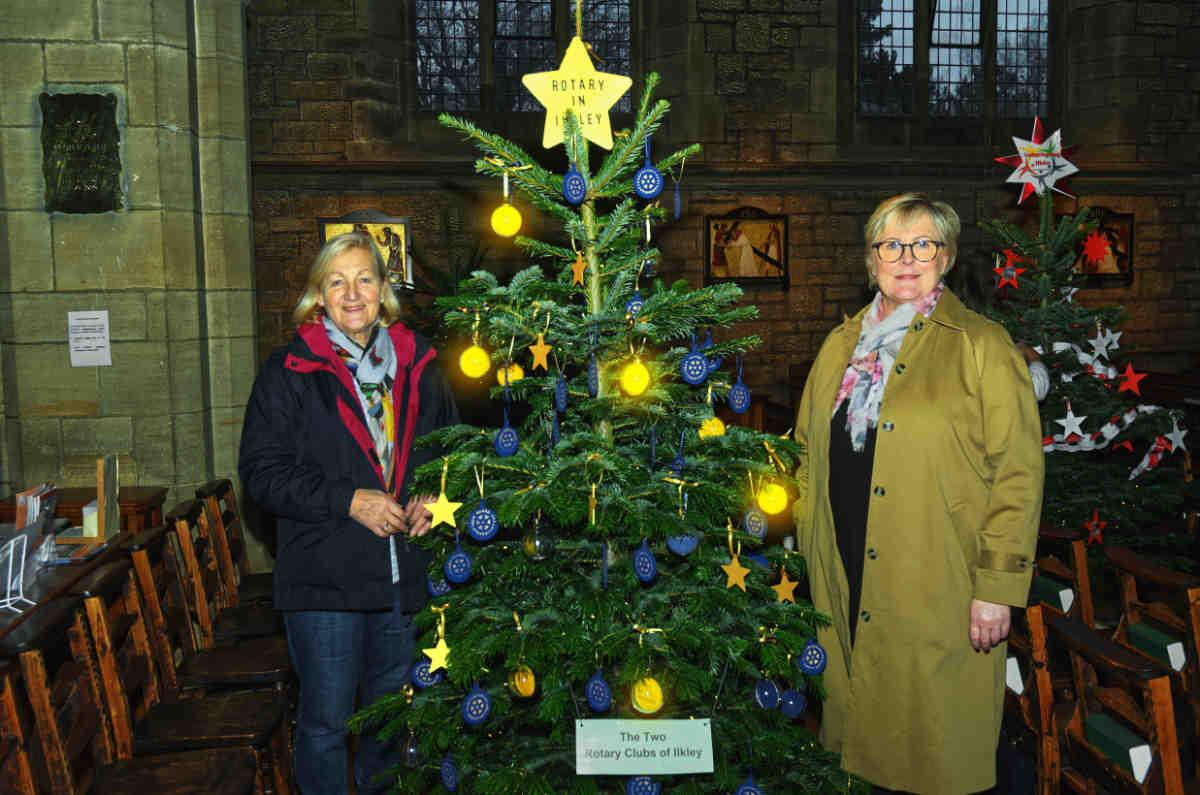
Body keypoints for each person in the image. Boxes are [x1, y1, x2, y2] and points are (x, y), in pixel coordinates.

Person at [791, 194, 1043, 793]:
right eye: (891, 245)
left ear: (947, 256)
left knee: (932, 746)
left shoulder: (982, 346)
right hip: (844, 569)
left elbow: (1018, 472)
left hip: (939, 577)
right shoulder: (838, 345)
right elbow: (803, 450)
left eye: (924, 244)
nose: (908, 258)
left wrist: (997, 589)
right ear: (871, 260)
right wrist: (804, 537)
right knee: (857, 734)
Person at [239, 232, 459, 794]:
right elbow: (262, 474)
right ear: (318, 296)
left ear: (384, 291)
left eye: (364, 278)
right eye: (337, 281)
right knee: (326, 727)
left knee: (389, 725)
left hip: (400, 581)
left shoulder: (421, 364)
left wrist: (437, 496)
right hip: (324, 585)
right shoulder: (288, 371)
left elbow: (454, 450)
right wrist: (348, 499)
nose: (352, 293)